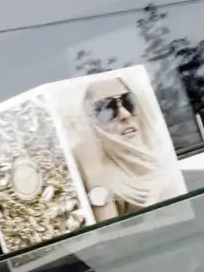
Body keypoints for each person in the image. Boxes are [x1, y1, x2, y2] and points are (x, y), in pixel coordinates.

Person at [71, 73, 182, 220]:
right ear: (90, 124)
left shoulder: (165, 162)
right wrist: (94, 174)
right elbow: (110, 231)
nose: (124, 114)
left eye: (128, 102)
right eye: (107, 108)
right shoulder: (94, 177)